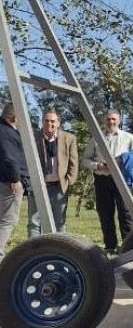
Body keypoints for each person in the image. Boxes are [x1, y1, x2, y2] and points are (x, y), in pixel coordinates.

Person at [84, 109, 133, 252]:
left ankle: (129, 247)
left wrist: (123, 161)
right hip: (102, 180)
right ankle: (110, 246)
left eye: (113, 119)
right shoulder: (96, 138)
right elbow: (85, 160)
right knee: (105, 213)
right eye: (108, 119)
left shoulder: (128, 137)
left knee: (126, 213)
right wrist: (98, 165)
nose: (111, 122)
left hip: (122, 179)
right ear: (104, 121)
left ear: (119, 121)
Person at [27, 109, 78, 236]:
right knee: (34, 223)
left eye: (53, 121)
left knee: (59, 222)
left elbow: (74, 162)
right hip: (38, 186)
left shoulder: (69, 138)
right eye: (46, 121)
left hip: (59, 187)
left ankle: (58, 247)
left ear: (58, 123)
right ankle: (34, 247)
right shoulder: (33, 137)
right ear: (42, 121)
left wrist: (69, 180)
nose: (49, 124)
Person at [0, 103, 26, 264]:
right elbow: (9, 158)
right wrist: (15, 179)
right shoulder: (7, 132)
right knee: (7, 220)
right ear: (15, 117)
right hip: (8, 183)